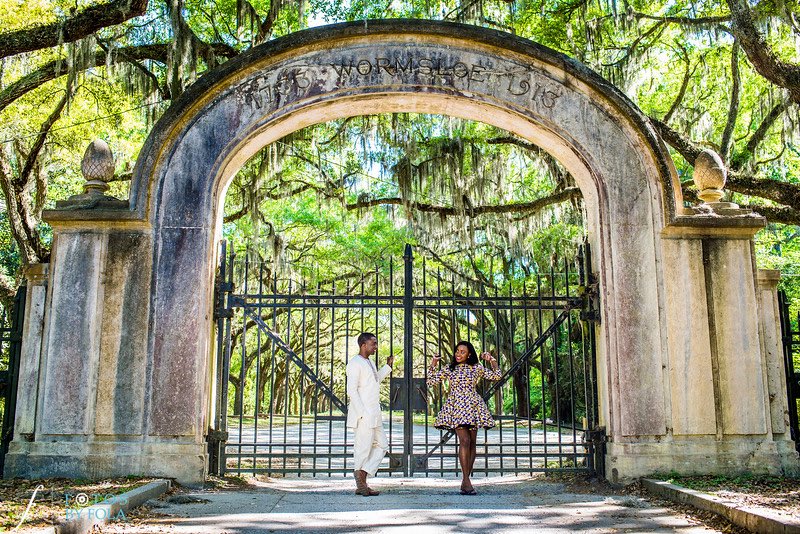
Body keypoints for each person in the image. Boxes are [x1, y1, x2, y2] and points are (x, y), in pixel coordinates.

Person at [427, 340, 501, 495]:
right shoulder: (450, 368)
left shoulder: (476, 367)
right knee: (465, 441)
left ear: (469, 354)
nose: (458, 354)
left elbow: (497, 376)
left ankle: (466, 480)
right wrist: (433, 363)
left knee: (473, 442)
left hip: (473, 406)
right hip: (457, 406)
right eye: (457, 351)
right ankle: (466, 481)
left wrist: (492, 360)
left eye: (462, 352)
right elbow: (431, 381)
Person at [346, 332, 394, 496]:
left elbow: (374, 381)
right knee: (363, 448)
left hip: (375, 413)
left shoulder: (369, 362)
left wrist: (387, 367)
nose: (376, 346)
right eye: (373, 343)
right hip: (364, 414)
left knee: (382, 445)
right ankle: (361, 483)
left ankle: (363, 475)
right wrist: (362, 413)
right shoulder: (355, 363)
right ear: (363, 345)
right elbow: (351, 390)